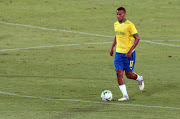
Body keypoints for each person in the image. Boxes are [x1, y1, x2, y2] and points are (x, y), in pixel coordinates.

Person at [110, 7, 144, 101]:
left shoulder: (130, 25)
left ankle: (139, 78)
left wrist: (130, 51)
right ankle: (125, 95)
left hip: (129, 54)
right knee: (119, 73)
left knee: (128, 75)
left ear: (124, 14)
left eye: (120, 14)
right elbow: (117, 36)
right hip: (118, 53)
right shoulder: (116, 24)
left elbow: (137, 38)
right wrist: (112, 47)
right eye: (117, 14)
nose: (118, 16)